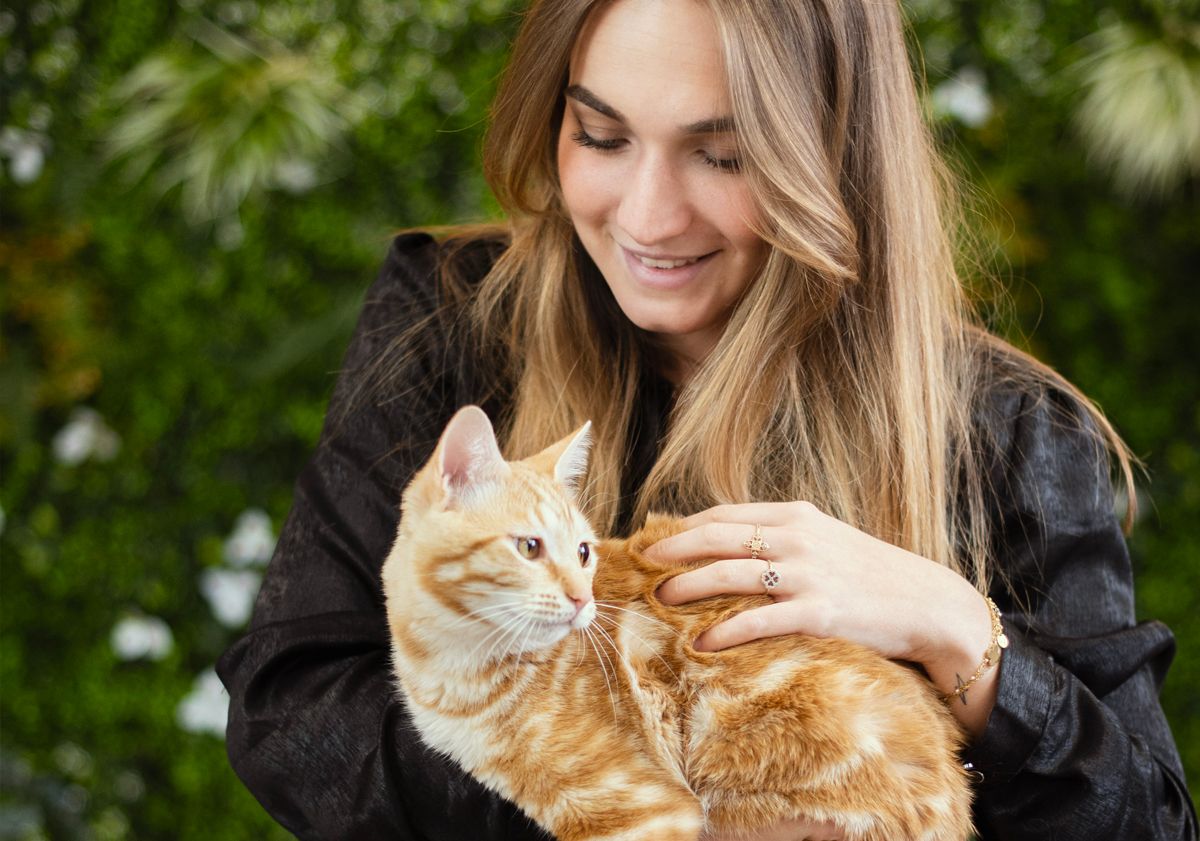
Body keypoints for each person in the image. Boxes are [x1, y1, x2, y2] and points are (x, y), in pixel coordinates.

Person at [216, 0, 1197, 838]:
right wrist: (648, 794)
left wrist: (959, 637)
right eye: (600, 136)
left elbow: (1149, 818)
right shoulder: (451, 317)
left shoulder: (1013, 430)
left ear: (834, 162)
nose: (647, 218)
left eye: (723, 155)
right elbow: (293, 719)